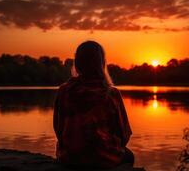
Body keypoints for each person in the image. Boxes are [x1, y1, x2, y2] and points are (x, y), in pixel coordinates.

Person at [53, 41, 134, 169]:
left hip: (69, 157)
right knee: (129, 157)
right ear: (102, 63)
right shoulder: (111, 93)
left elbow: (58, 128)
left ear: (77, 63)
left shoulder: (64, 91)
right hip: (102, 158)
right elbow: (124, 135)